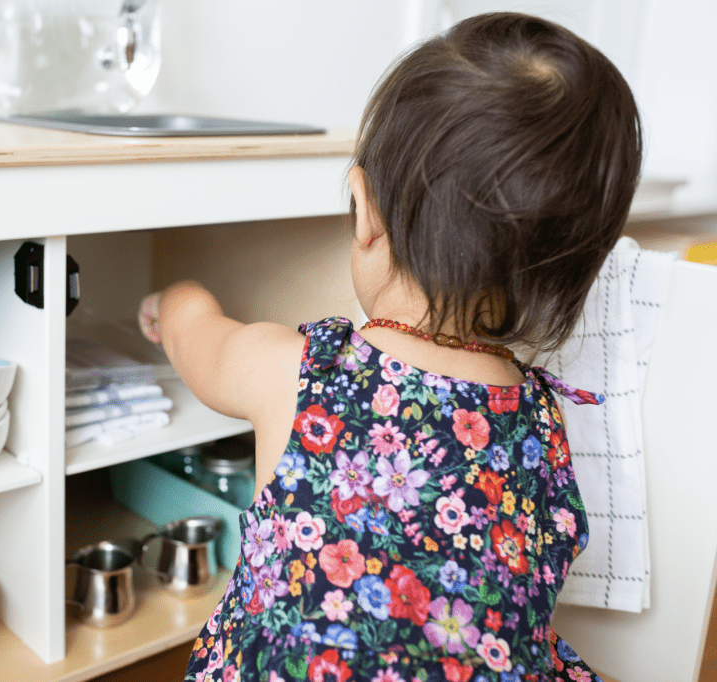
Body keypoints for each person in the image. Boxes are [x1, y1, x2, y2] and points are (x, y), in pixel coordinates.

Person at [138, 12, 639, 682]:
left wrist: (172, 298)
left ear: (364, 210)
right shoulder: (546, 422)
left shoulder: (297, 372)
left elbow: (197, 340)